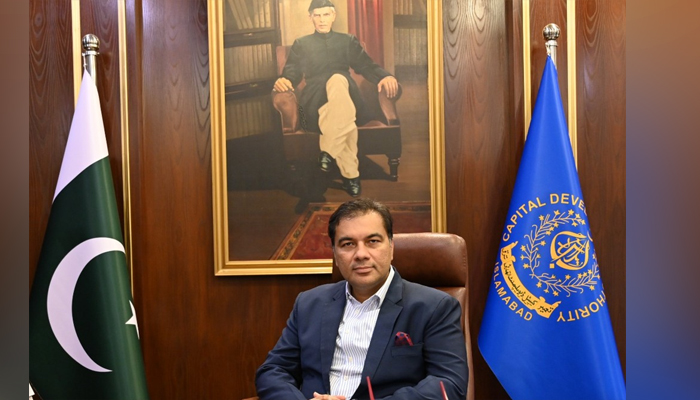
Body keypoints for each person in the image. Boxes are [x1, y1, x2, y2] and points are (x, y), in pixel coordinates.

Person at [255, 198, 468, 400]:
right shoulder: (309, 303)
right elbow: (273, 370)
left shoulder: (434, 307)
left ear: (391, 247)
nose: (361, 254)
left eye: (372, 241)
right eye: (348, 244)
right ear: (335, 254)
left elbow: (448, 384)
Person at [273, 0, 400, 198]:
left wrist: (385, 76)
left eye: (326, 14)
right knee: (344, 117)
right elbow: (292, 71)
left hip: (346, 92)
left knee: (339, 80)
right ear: (310, 17)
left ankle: (328, 153)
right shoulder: (302, 44)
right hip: (315, 99)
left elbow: (366, 65)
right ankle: (351, 176)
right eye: (317, 15)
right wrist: (284, 80)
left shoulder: (347, 41)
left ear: (333, 16)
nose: (322, 19)